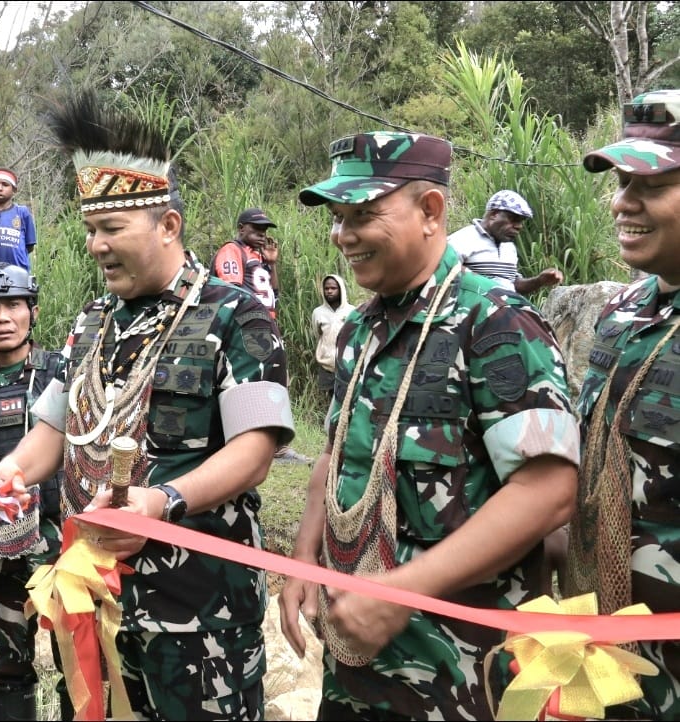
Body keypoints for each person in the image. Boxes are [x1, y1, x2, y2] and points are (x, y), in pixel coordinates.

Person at [0, 89, 296, 721]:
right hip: (96, 602)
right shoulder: (93, 321)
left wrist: (161, 503)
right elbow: (57, 423)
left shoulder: (235, 315)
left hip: (197, 614)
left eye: (111, 229)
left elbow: (257, 448)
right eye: (89, 231)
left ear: (168, 225)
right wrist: (11, 472)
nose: (96, 246)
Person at [277, 131, 580, 721]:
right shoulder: (360, 332)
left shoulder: (495, 325)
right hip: (358, 668)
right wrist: (304, 558)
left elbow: (548, 491)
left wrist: (398, 594)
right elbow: (335, 455)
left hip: (462, 676)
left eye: (363, 215)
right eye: (338, 219)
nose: (344, 236)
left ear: (431, 212)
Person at [562, 87, 680, 720]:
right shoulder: (624, 313)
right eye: (619, 181)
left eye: (650, 185)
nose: (622, 203)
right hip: (603, 652)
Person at [0, 262, 71, 721]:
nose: (1, 317)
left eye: (13, 305)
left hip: (65, 551)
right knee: (6, 671)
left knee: (82, 666)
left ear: (33, 312)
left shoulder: (63, 375)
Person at [212, 207, 311, 465]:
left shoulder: (260, 256)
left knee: (276, 377)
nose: (261, 235)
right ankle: (248, 444)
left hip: (267, 320)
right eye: (256, 230)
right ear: (241, 228)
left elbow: (274, 294)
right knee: (251, 380)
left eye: (264, 231)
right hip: (248, 321)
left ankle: (274, 444)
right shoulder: (231, 250)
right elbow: (231, 291)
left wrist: (272, 264)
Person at [447, 189, 564, 296]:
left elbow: (513, 285)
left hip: (507, 311)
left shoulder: (509, 247)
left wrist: (539, 281)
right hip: (474, 314)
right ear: (494, 215)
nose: (519, 226)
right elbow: (443, 276)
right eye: (513, 219)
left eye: (521, 222)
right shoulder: (462, 240)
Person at [310, 273, 354, 417]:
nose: (329, 291)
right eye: (326, 288)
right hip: (327, 363)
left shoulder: (351, 312)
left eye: (333, 288)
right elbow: (318, 335)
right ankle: (332, 427)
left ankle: (345, 425)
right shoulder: (318, 312)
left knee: (348, 397)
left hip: (346, 364)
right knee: (331, 399)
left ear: (340, 289)